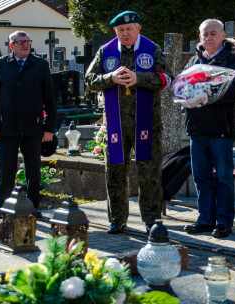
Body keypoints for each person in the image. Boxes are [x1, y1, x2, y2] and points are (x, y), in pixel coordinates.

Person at [85, 11, 173, 234]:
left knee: (150, 174)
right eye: (120, 30)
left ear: (138, 29)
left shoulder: (151, 49)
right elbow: (89, 80)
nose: (125, 34)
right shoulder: (105, 51)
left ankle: (152, 220)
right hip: (116, 125)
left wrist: (140, 78)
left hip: (147, 124)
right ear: (115, 31)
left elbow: (168, 77)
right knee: (114, 172)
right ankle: (117, 219)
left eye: (129, 29)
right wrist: (110, 78)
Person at [181, 19, 235, 238]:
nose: (208, 38)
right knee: (201, 177)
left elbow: (234, 91)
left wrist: (204, 97)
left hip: (221, 129)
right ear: (200, 37)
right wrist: (185, 96)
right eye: (204, 34)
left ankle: (225, 222)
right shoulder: (193, 61)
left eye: (213, 34)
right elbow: (184, 87)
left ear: (223, 35)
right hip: (197, 128)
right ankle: (205, 219)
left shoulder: (233, 60)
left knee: (224, 179)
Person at [0, 31, 56, 220]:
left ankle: (33, 206)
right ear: (11, 46)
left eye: (28, 42)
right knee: (5, 168)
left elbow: (50, 99)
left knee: (33, 169)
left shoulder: (40, 65)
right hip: (7, 126)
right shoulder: (0, 65)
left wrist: (49, 128)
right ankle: (2, 205)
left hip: (33, 127)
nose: (25, 45)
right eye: (20, 42)